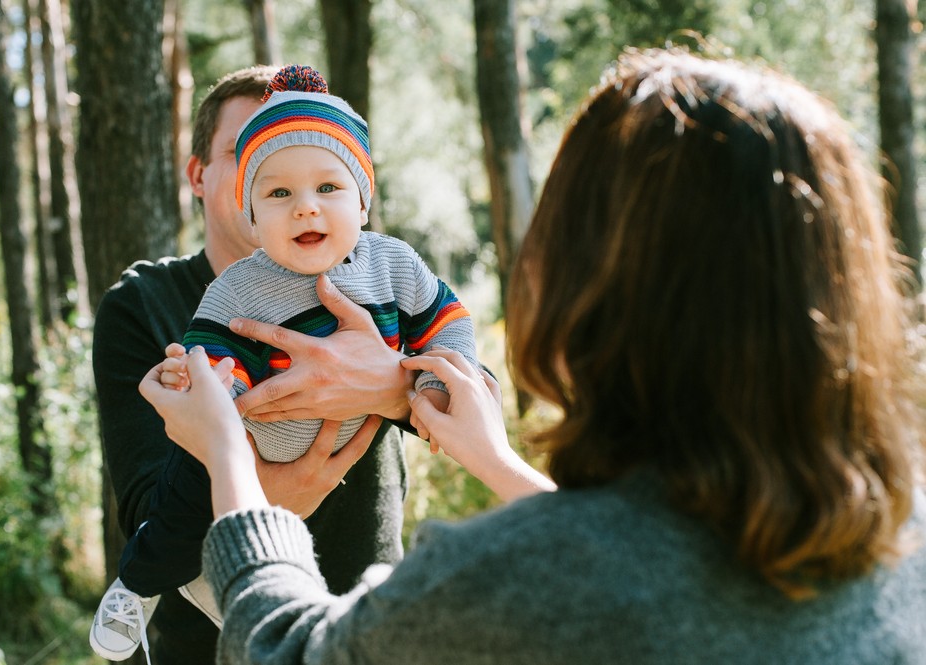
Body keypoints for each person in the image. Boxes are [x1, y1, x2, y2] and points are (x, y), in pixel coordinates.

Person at [138, 48, 926, 664]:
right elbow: (652, 572)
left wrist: (228, 457)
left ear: (598, 281)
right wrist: (499, 464)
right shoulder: (899, 541)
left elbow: (279, 647)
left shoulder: (512, 579)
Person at [91, 64, 480, 660]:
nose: (301, 198)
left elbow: (475, 397)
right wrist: (264, 490)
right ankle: (138, 593)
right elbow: (148, 509)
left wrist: (387, 384)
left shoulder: (381, 274)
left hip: (364, 615)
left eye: (323, 178)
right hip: (208, 643)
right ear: (204, 175)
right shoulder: (147, 304)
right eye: (264, 163)